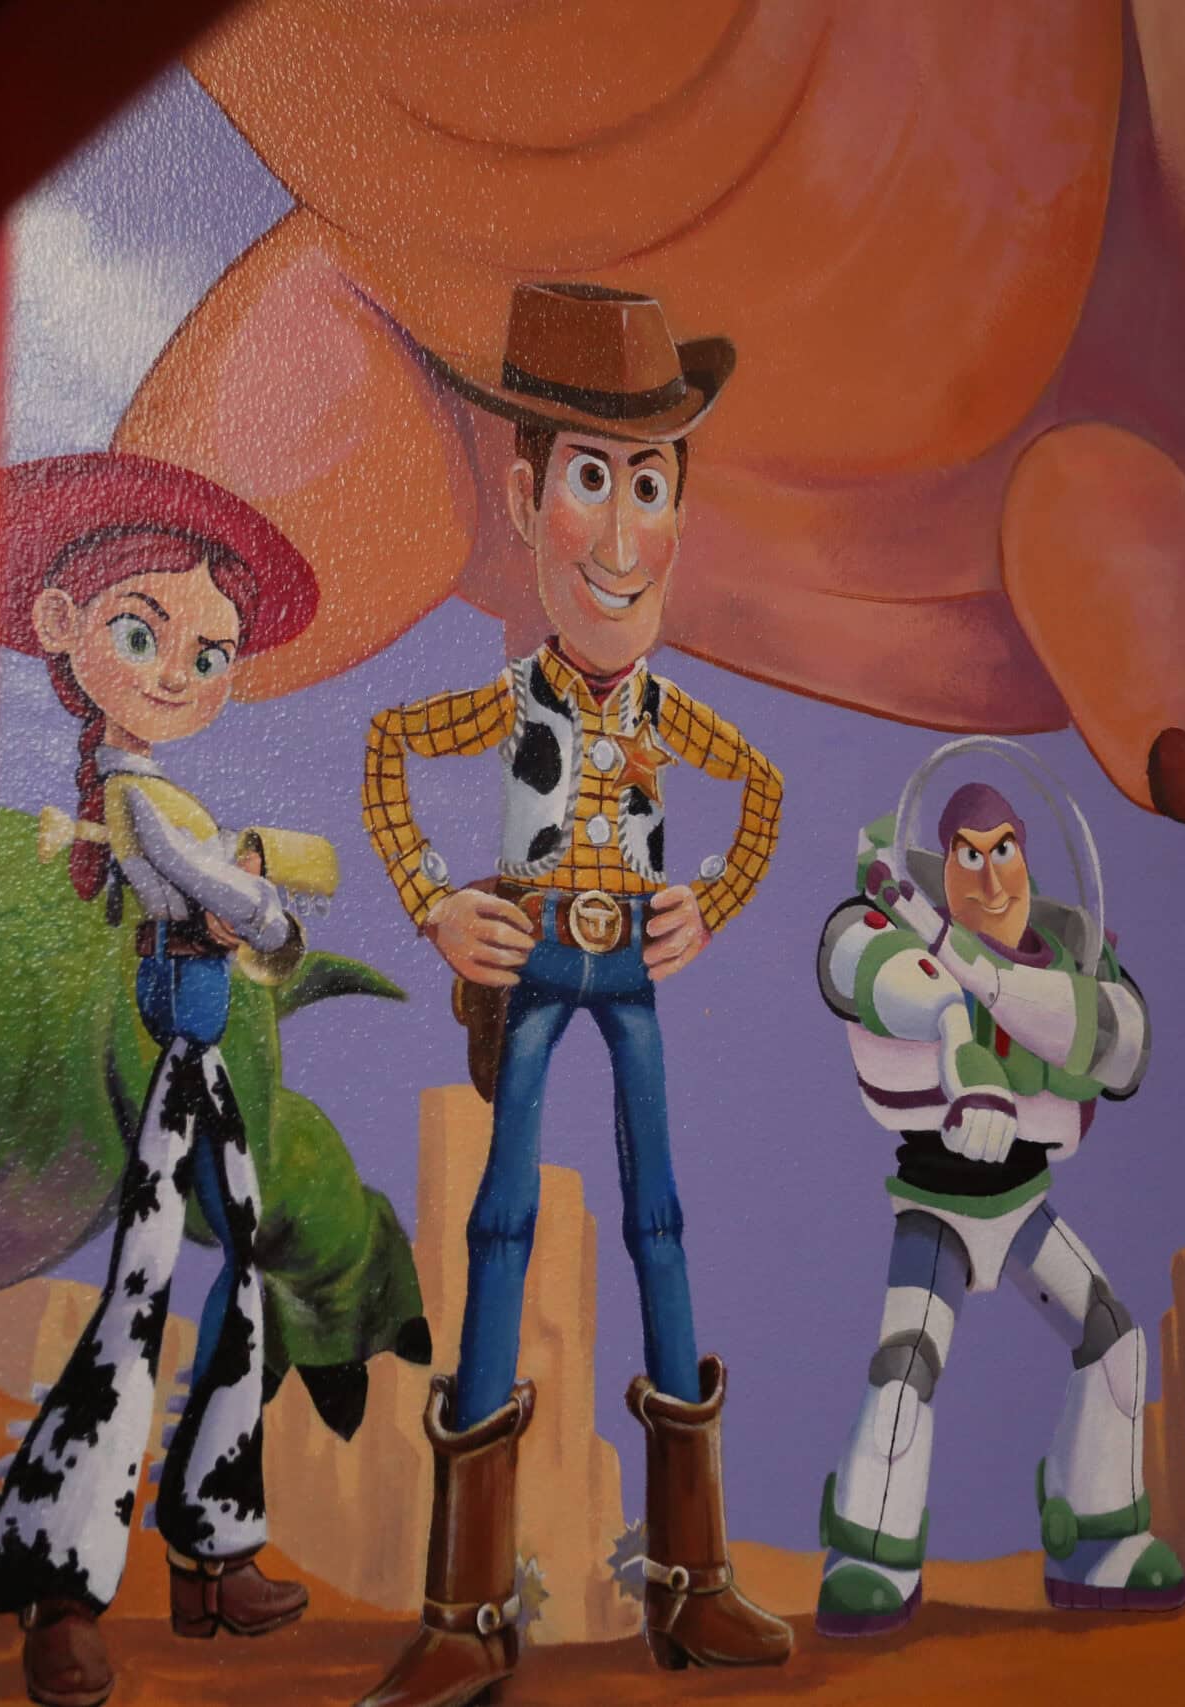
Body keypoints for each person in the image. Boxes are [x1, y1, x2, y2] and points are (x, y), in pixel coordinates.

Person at [354, 282, 794, 1707]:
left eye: (648, 486)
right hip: (541, 961)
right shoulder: (513, 699)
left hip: (631, 972)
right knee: (502, 1217)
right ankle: (468, 1606)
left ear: (680, 513)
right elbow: (386, 748)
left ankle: (693, 1584)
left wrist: (708, 903)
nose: (616, 538)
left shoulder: (669, 712)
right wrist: (435, 898)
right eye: (590, 481)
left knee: (659, 1218)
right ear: (526, 495)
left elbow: (763, 791)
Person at [0, 452, 323, 1707]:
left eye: (206, 654)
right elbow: (232, 900)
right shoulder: (137, 796)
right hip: (169, 1063)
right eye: (142, 634)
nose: (174, 674)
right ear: (63, 625)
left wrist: (247, 897)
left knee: (247, 1280)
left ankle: (212, 1546)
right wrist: (263, 906)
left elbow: (223, 889)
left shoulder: (164, 794)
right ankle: (58, 1579)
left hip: (198, 1063)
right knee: (137, 1302)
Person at [812, 773, 1185, 1634]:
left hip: (1022, 1204)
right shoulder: (896, 934)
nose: (989, 876)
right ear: (942, 865)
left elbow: (1122, 1042)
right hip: (938, 1204)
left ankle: (1097, 1537)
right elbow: (852, 962)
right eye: (968, 854)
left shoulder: (1066, 957)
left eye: (1005, 850)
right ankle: (872, 1552)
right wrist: (950, 1023)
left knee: (1114, 1342)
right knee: (907, 1365)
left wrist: (1020, 997)